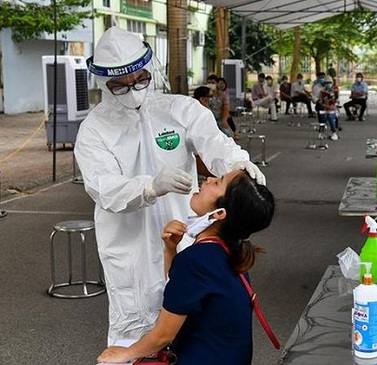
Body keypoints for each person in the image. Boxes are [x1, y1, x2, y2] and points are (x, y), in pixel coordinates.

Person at [75, 26, 266, 345]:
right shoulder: (94, 132)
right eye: (120, 85)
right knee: (136, 339)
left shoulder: (179, 110)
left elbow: (214, 143)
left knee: (194, 334)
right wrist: (149, 187)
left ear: (151, 69)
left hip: (186, 238)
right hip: (130, 246)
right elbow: (104, 188)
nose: (133, 89)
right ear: (102, 84)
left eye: (140, 79)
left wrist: (236, 163)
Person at [97, 169, 275, 364]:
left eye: (218, 182)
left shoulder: (196, 259)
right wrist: (170, 250)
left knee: (112, 359)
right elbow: (182, 292)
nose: (208, 179)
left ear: (220, 213)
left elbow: (163, 336)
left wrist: (126, 353)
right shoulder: (229, 252)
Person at [318, 76, 339, 140]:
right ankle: (322, 132)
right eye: (326, 83)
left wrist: (332, 107)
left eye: (329, 83)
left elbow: (337, 101)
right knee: (323, 116)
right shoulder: (322, 92)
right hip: (325, 109)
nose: (328, 84)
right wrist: (326, 106)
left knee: (330, 116)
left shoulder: (335, 91)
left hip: (333, 110)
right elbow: (321, 102)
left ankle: (334, 132)